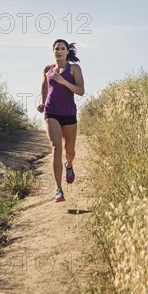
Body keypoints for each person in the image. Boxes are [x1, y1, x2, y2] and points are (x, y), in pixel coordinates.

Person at [37, 39, 85, 202]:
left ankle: (69, 165)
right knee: (56, 147)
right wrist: (43, 103)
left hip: (69, 114)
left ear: (67, 52)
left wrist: (63, 81)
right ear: (53, 51)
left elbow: (81, 91)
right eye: (56, 48)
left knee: (69, 151)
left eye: (62, 48)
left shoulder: (74, 68)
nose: (59, 51)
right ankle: (58, 190)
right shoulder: (47, 69)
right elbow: (45, 87)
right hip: (51, 113)